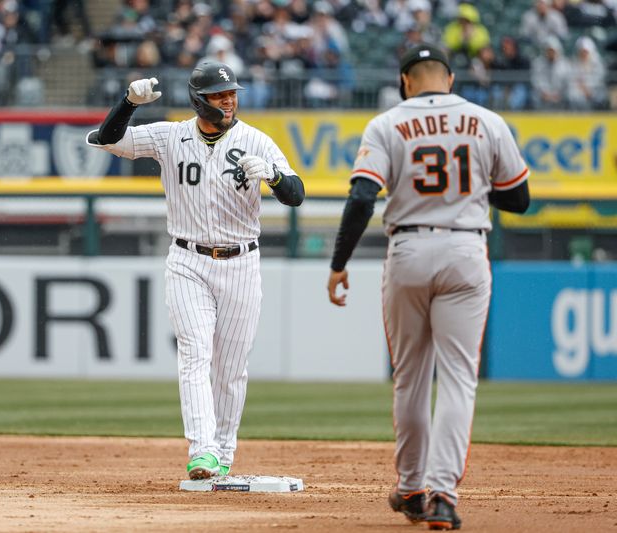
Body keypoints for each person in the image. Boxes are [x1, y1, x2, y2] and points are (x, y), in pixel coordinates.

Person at [327, 43, 530, 530]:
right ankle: (443, 495)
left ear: (406, 81)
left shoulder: (387, 122)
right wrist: (475, 186)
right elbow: (519, 199)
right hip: (466, 249)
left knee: (411, 377)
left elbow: (362, 196)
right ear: (451, 78)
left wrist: (339, 263)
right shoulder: (487, 121)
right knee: (458, 378)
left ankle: (412, 486)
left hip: (409, 252)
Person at [86, 61, 305, 480]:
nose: (228, 101)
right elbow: (106, 138)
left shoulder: (256, 140)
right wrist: (129, 103)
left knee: (232, 367)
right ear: (198, 100)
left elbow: (296, 195)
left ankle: (224, 451)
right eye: (219, 96)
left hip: (241, 262)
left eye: (232, 94)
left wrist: (275, 177)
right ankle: (202, 450)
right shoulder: (172, 135)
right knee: (195, 354)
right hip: (187, 259)